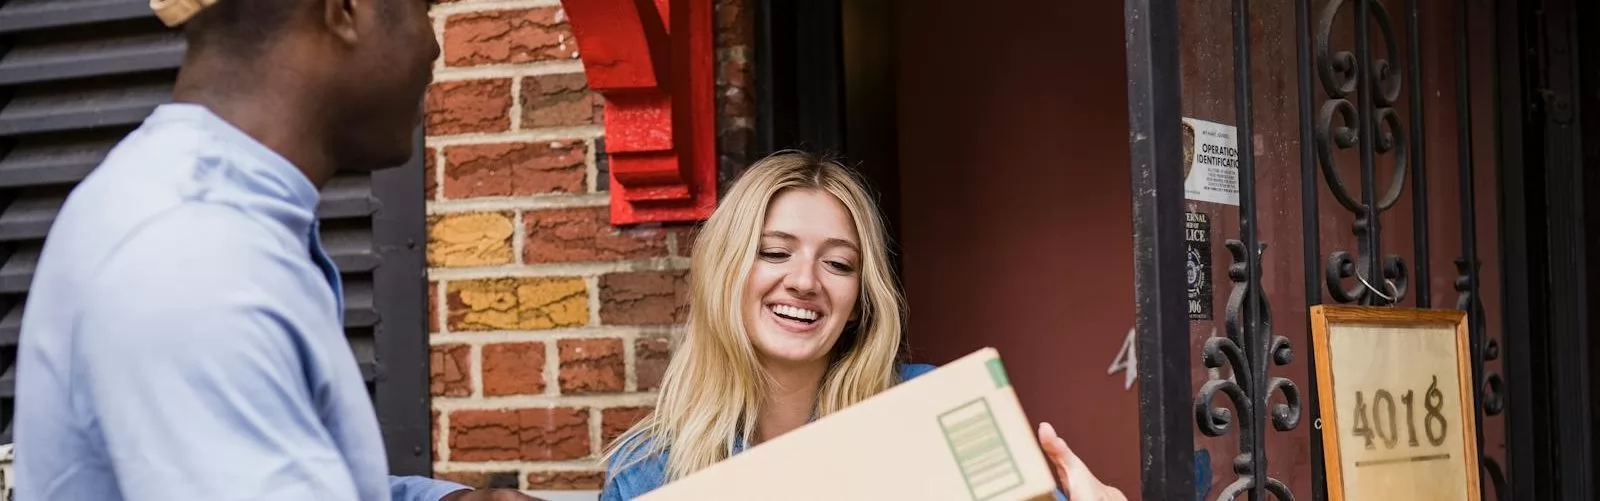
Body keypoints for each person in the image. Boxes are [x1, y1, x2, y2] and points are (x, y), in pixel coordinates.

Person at [12, 0, 534, 500]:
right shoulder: (194, 262)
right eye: (423, 9)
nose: (433, 49)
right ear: (345, 8)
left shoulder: (209, 222)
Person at [599, 151, 1127, 501]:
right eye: (776, 252)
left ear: (858, 300)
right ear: (725, 272)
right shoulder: (646, 471)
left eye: (838, 264)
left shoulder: (936, 407)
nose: (804, 281)